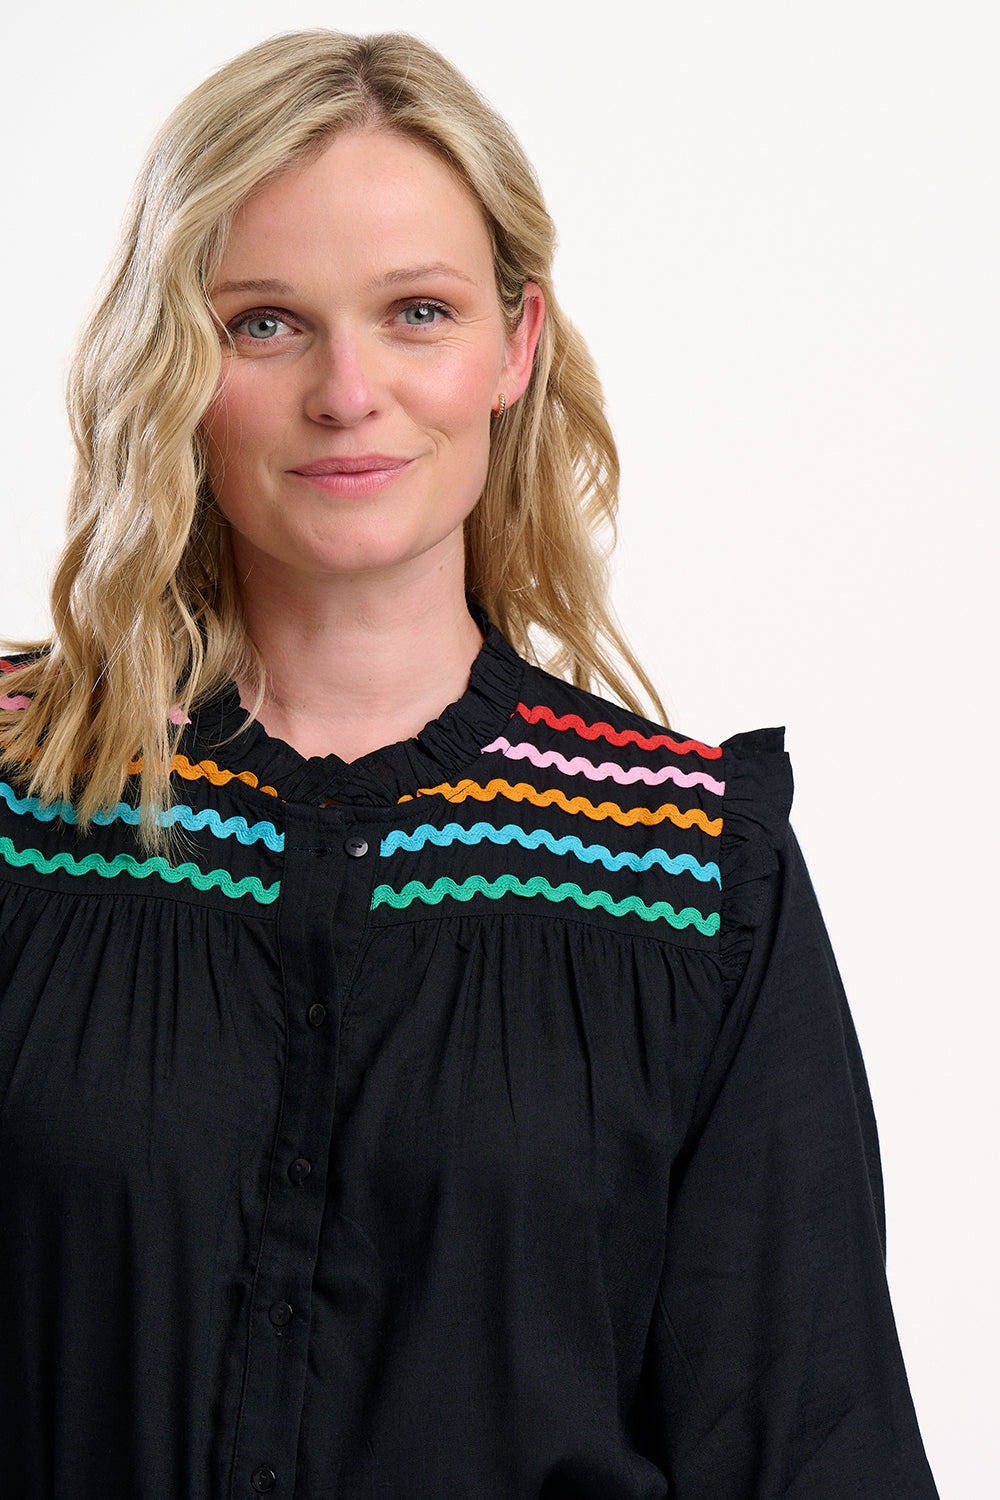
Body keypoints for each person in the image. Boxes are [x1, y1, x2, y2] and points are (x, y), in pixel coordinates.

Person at [0, 29, 937, 1500]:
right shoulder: (13, 800)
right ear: (172, 358)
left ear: (517, 346)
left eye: (417, 311)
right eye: (263, 323)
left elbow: (805, 1443)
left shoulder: (691, 871)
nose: (349, 392)